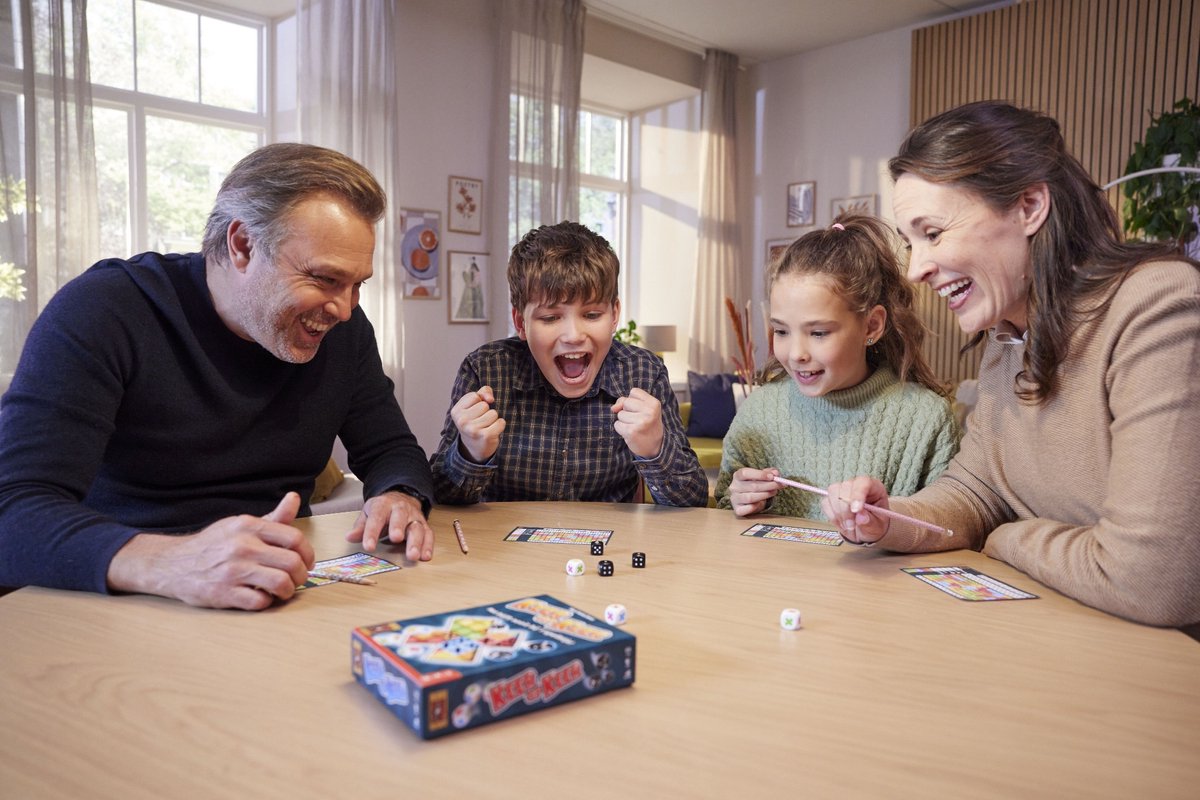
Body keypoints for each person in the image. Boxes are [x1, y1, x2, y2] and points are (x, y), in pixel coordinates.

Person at [0, 143, 435, 611]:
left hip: (275, 593)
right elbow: (13, 509)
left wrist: (400, 495)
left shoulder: (343, 334)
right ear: (242, 245)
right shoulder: (107, 310)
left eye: (358, 285)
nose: (345, 309)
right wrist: (173, 562)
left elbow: (391, 448)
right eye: (325, 279)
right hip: (124, 597)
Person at [824, 101, 1200, 629]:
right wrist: (887, 521)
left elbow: (1154, 582)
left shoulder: (1158, 305)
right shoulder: (1007, 337)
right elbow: (974, 493)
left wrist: (1008, 537)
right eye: (911, 242)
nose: (915, 270)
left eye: (932, 232)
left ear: (1028, 206)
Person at [430, 221, 708, 506]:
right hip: (503, 547)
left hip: (608, 546)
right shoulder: (484, 370)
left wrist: (655, 450)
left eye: (591, 315)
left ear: (614, 315)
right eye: (550, 318)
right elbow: (439, 495)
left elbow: (693, 501)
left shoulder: (644, 373)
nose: (574, 336)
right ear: (520, 323)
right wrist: (470, 453)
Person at [716, 214, 960, 519]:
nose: (795, 354)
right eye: (781, 331)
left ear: (871, 325)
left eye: (818, 333)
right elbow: (725, 507)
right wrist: (740, 499)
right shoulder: (760, 409)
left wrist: (889, 521)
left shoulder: (925, 419)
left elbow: (944, 525)